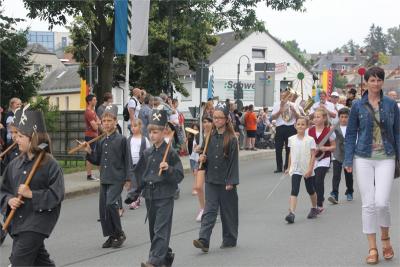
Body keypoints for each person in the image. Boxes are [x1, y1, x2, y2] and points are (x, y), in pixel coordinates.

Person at [344, 66, 399, 264]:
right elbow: (350, 134)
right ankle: (373, 248)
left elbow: (397, 133)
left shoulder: (391, 104)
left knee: (382, 202)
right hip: (363, 157)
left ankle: (385, 240)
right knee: (368, 204)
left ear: (383, 82)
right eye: (372, 80)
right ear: (366, 82)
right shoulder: (358, 106)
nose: (375, 83)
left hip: (386, 157)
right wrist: (348, 159)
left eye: (379, 80)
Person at [0, 106, 65, 266]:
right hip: (19, 223)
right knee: (40, 261)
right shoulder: (14, 164)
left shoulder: (50, 164)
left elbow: (57, 194)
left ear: (34, 138)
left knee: (18, 261)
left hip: (38, 221)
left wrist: (31, 194)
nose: (16, 139)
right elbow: (3, 190)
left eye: (21, 136)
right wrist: (9, 200)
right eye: (16, 135)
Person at [131, 109, 184, 267]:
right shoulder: (147, 153)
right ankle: (165, 256)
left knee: (161, 229)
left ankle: (153, 262)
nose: (152, 135)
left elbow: (179, 175)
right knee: (154, 231)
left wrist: (168, 169)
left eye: (156, 132)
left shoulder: (171, 153)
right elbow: (139, 175)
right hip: (150, 195)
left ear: (164, 132)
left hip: (165, 195)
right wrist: (134, 192)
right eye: (151, 132)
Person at [193, 102, 239, 253]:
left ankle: (229, 239)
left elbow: (233, 162)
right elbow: (207, 157)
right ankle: (204, 240)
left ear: (226, 119)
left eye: (220, 118)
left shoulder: (231, 139)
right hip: (212, 179)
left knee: (228, 211)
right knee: (209, 210)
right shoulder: (209, 137)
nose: (217, 120)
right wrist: (203, 159)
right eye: (215, 118)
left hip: (226, 182)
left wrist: (231, 181)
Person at [85, 105, 132, 249]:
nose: (106, 123)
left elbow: (127, 160)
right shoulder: (101, 141)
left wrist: (128, 178)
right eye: (104, 121)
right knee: (104, 209)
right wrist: (88, 151)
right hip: (105, 179)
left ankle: (119, 233)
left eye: (109, 120)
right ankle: (112, 236)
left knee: (111, 204)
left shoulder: (122, 140)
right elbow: (97, 160)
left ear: (115, 121)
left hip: (117, 178)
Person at [284, 116, 318, 223]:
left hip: (307, 168)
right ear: (295, 126)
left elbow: (313, 155)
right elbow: (290, 154)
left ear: (307, 126)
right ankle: (292, 213)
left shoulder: (310, 140)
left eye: (303, 124)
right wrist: (289, 167)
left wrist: (310, 169)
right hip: (295, 169)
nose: (300, 126)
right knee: (294, 190)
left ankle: (314, 207)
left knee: (310, 190)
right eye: (298, 124)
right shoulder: (291, 139)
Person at [307, 108, 336, 213]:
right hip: (313, 159)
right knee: (314, 182)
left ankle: (319, 204)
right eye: (314, 117)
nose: (315, 119)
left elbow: (334, 147)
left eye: (318, 117)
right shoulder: (309, 131)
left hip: (324, 158)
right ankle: (319, 198)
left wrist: (325, 148)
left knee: (319, 180)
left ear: (324, 118)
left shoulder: (329, 131)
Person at [327, 107, 354, 204]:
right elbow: (329, 139)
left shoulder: (352, 127)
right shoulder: (334, 127)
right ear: (339, 117)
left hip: (348, 154)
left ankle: (350, 191)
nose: (343, 119)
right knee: (336, 175)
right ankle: (334, 194)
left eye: (346, 117)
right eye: (341, 117)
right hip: (337, 154)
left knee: (348, 175)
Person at [124, 119, 151, 210]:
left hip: (140, 164)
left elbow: (148, 151)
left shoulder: (144, 139)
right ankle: (133, 199)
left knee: (138, 182)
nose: (133, 128)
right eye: (132, 126)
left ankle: (136, 199)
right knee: (132, 182)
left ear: (140, 127)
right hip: (131, 163)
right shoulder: (129, 139)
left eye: (135, 126)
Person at [271, 90, 299, 173]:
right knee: (278, 148)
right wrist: (280, 110)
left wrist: (294, 111)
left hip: (291, 128)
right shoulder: (276, 104)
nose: (283, 97)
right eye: (282, 96)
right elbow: (272, 117)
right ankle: (279, 167)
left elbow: (298, 117)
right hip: (280, 127)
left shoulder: (293, 105)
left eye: (285, 95)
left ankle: (287, 166)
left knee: (289, 148)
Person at [193, 115, 213, 222]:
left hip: (213, 163)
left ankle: (214, 206)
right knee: (198, 187)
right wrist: (197, 150)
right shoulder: (199, 135)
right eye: (204, 122)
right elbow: (197, 148)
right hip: (202, 162)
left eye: (208, 122)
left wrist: (202, 151)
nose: (205, 124)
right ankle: (203, 209)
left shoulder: (215, 134)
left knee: (214, 188)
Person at [84, 94, 101, 181]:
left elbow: (99, 121)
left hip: (95, 136)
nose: (96, 101)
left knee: (96, 154)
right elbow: (95, 127)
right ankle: (89, 175)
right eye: (94, 100)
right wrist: (97, 123)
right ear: (90, 101)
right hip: (90, 137)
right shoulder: (88, 112)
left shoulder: (93, 111)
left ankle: (101, 174)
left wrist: (97, 122)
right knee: (90, 155)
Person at [187, 123, 200, 196]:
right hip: (191, 158)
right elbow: (188, 150)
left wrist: (198, 146)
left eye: (197, 129)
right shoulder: (190, 138)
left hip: (198, 158)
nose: (195, 131)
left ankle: (195, 189)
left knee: (196, 172)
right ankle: (198, 186)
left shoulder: (200, 138)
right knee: (195, 174)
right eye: (194, 129)